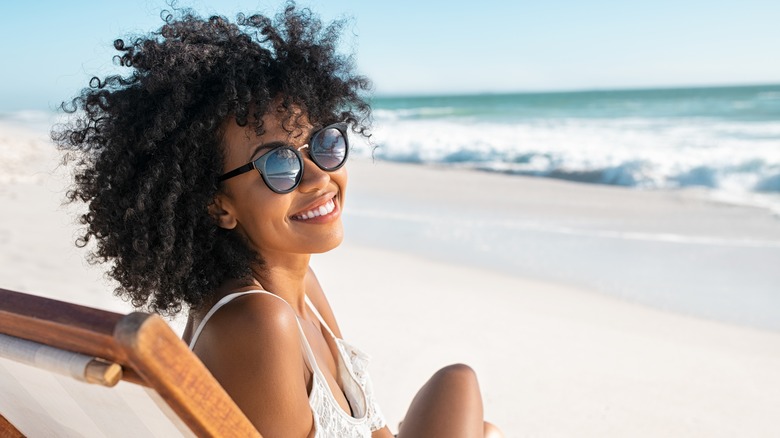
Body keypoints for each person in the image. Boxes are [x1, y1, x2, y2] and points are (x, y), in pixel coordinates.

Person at [55, 4, 502, 437]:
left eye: (324, 144)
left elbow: (373, 429)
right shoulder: (258, 321)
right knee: (463, 391)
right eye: (279, 166)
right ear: (218, 206)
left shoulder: (298, 283)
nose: (319, 175)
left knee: (471, 408)